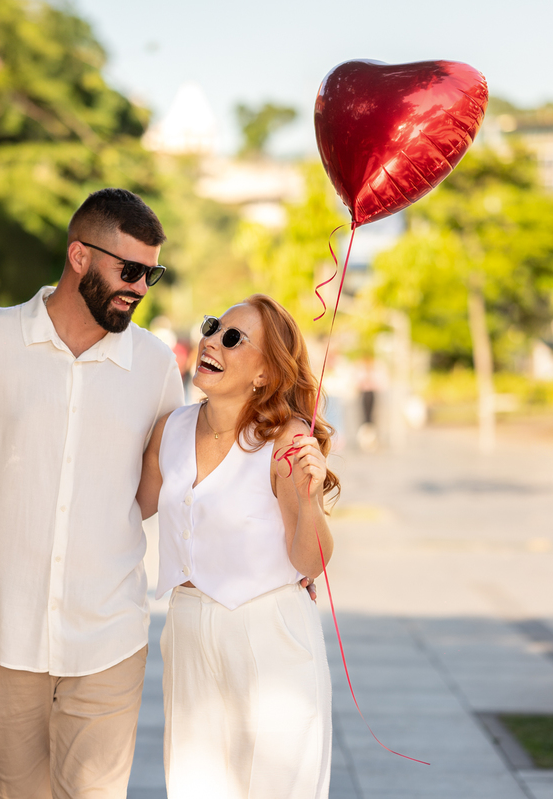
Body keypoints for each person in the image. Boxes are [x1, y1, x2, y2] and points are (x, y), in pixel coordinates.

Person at [0, 188, 184, 799]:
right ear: (79, 255)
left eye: (150, 274)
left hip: (109, 631)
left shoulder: (156, 365)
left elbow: (149, 497)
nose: (140, 287)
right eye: (128, 270)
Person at [137, 295, 339, 799]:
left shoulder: (286, 439)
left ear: (265, 374)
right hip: (187, 632)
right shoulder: (172, 428)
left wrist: (310, 499)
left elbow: (310, 561)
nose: (210, 341)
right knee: (193, 787)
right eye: (212, 327)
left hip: (268, 635)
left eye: (233, 338)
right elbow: (129, 509)